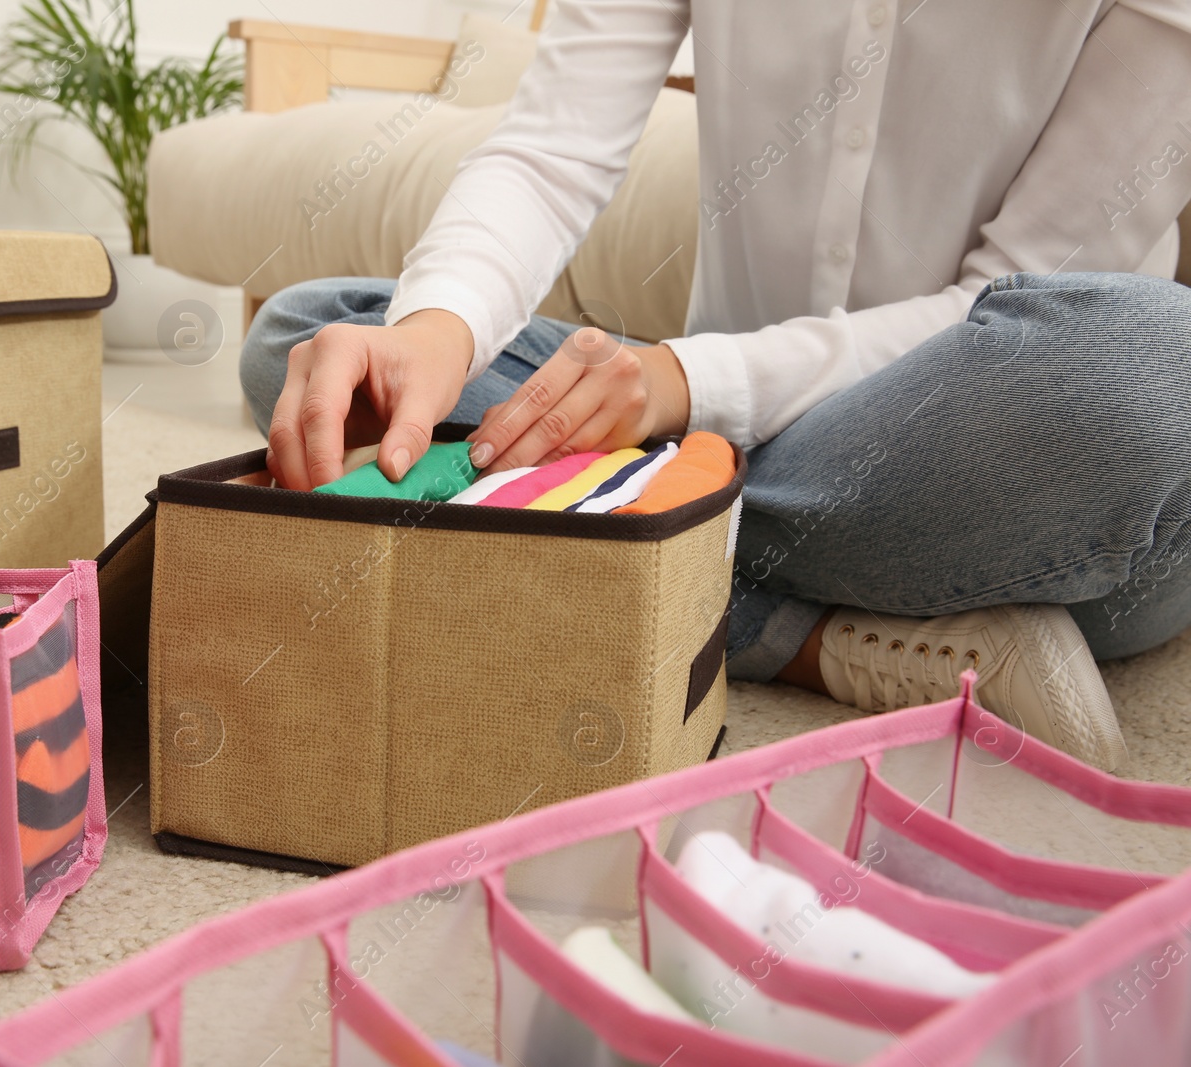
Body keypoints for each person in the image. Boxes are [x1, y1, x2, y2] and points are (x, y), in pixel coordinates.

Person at [238, 0, 1191, 771]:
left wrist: (676, 383)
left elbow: (1011, 288)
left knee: (1159, 367)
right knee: (314, 333)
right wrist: (433, 330)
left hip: (987, 466)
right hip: (707, 431)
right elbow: (550, 155)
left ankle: (648, 545)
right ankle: (815, 637)